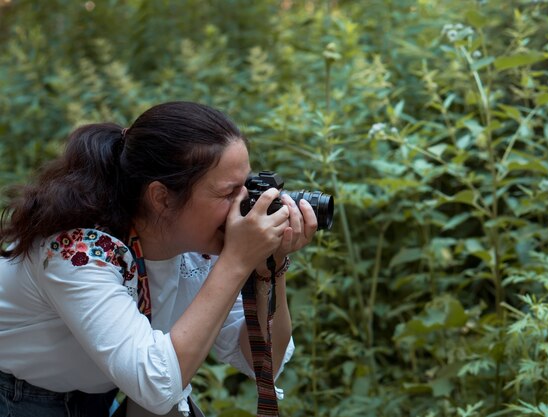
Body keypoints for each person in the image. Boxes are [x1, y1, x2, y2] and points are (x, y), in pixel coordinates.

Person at [0, 101, 318, 416]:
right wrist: (237, 262)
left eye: (247, 187)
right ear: (162, 198)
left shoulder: (199, 244)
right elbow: (156, 386)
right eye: (228, 193)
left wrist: (269, 268)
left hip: (100, 393)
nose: (246, 205)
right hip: (18, 396)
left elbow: (264, 360)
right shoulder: (79, 253)